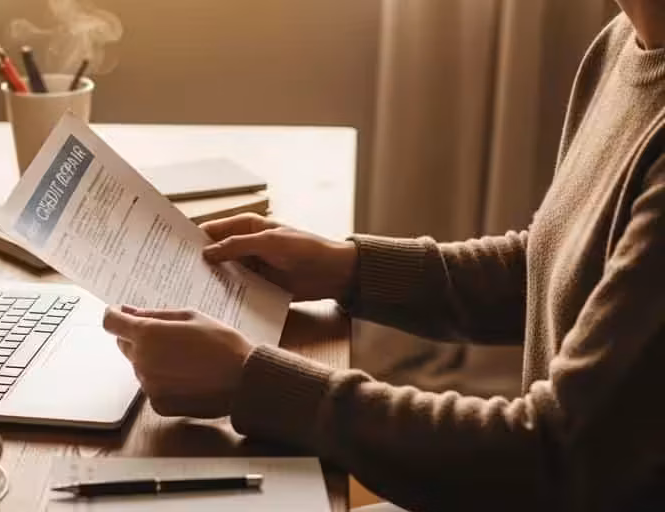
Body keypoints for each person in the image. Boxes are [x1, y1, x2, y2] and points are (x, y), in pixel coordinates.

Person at [102, 2, 665, 511]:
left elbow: (551, 456)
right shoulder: (626, 40)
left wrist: (255, 382)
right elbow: (553, 267)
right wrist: (347, 266)